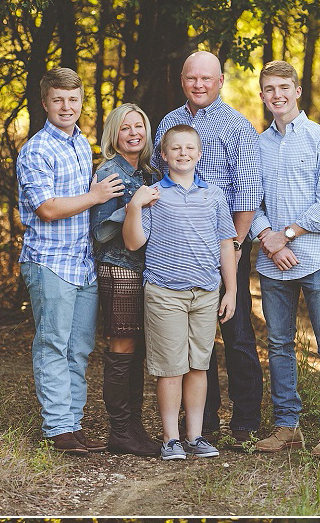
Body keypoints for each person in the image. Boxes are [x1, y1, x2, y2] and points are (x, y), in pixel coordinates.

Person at [153, 51, 264, 447]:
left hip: (226, 242)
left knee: (235, 332)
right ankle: (205, 423)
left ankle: (246, 420)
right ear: (182, 81)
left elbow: (249, 192)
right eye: (191, 78)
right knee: (195, 336)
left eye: (206, 78)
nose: (199, 85)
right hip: (179, 247)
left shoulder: (237, 126)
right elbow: (156, 176)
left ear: (220, 82)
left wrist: (234, 247)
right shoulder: (168, 123)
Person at [16, 66, 124, 454]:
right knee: (52, 345)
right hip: (49, 262)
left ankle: (73, 425)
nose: (66, 106)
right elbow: (46, 208)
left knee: (79, 348)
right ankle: (58, 427)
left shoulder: (82, 144)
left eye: (73, 100)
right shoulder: (36, 150)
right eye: (58, 99)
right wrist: (95, 197)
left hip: (82, 263)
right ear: (45, 102)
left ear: (81, 103)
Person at [250, 61, 320, 459]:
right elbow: (248, 202)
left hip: (319, 259)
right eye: (269, 88)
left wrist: (286, 234)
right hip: (273, 263)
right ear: (262, 95)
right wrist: (269, 240)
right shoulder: (257, 145)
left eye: (283, 87)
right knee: (278, 344)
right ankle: (287, 426)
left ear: (297, 90)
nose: (277, 94)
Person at [123, 125, 236, 461]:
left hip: (205, 292)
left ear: (199, 154)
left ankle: (195, 436)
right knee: (170, 368)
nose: (183, 153)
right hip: (165, 292)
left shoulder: (214, 195)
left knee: (198, 366)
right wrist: (134, 206)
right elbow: (133, 242)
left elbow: (225, 244)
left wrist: (230, 290)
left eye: (190, 148)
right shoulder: (154, 195)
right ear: (164, 154)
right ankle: (171, 439)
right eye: (176, 149)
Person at [90, 103, 160, 456]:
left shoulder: (146, 172)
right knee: (122, 349)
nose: (134, 133)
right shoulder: (110, 172)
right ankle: (120, 430)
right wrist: (133, 206)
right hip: (119, 270)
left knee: (136, 351)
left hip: (143, 270)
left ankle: (133, 427)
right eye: (125, 128)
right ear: (113, 135)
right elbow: (100, 232)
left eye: (139, 126)